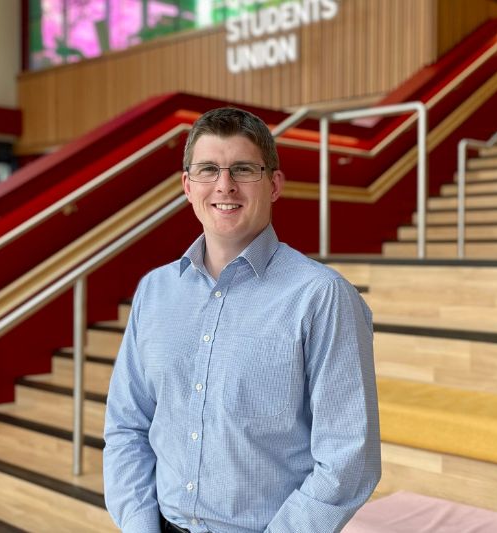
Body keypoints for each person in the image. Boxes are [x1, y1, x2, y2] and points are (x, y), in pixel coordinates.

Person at [103, 107, 381, 533]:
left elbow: (349, 458)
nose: (224, 185)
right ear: (187, 185)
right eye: (208, 169)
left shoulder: (322, 297)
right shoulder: (155, 292)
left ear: (274, 184)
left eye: (244, 169)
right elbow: (126, 426)